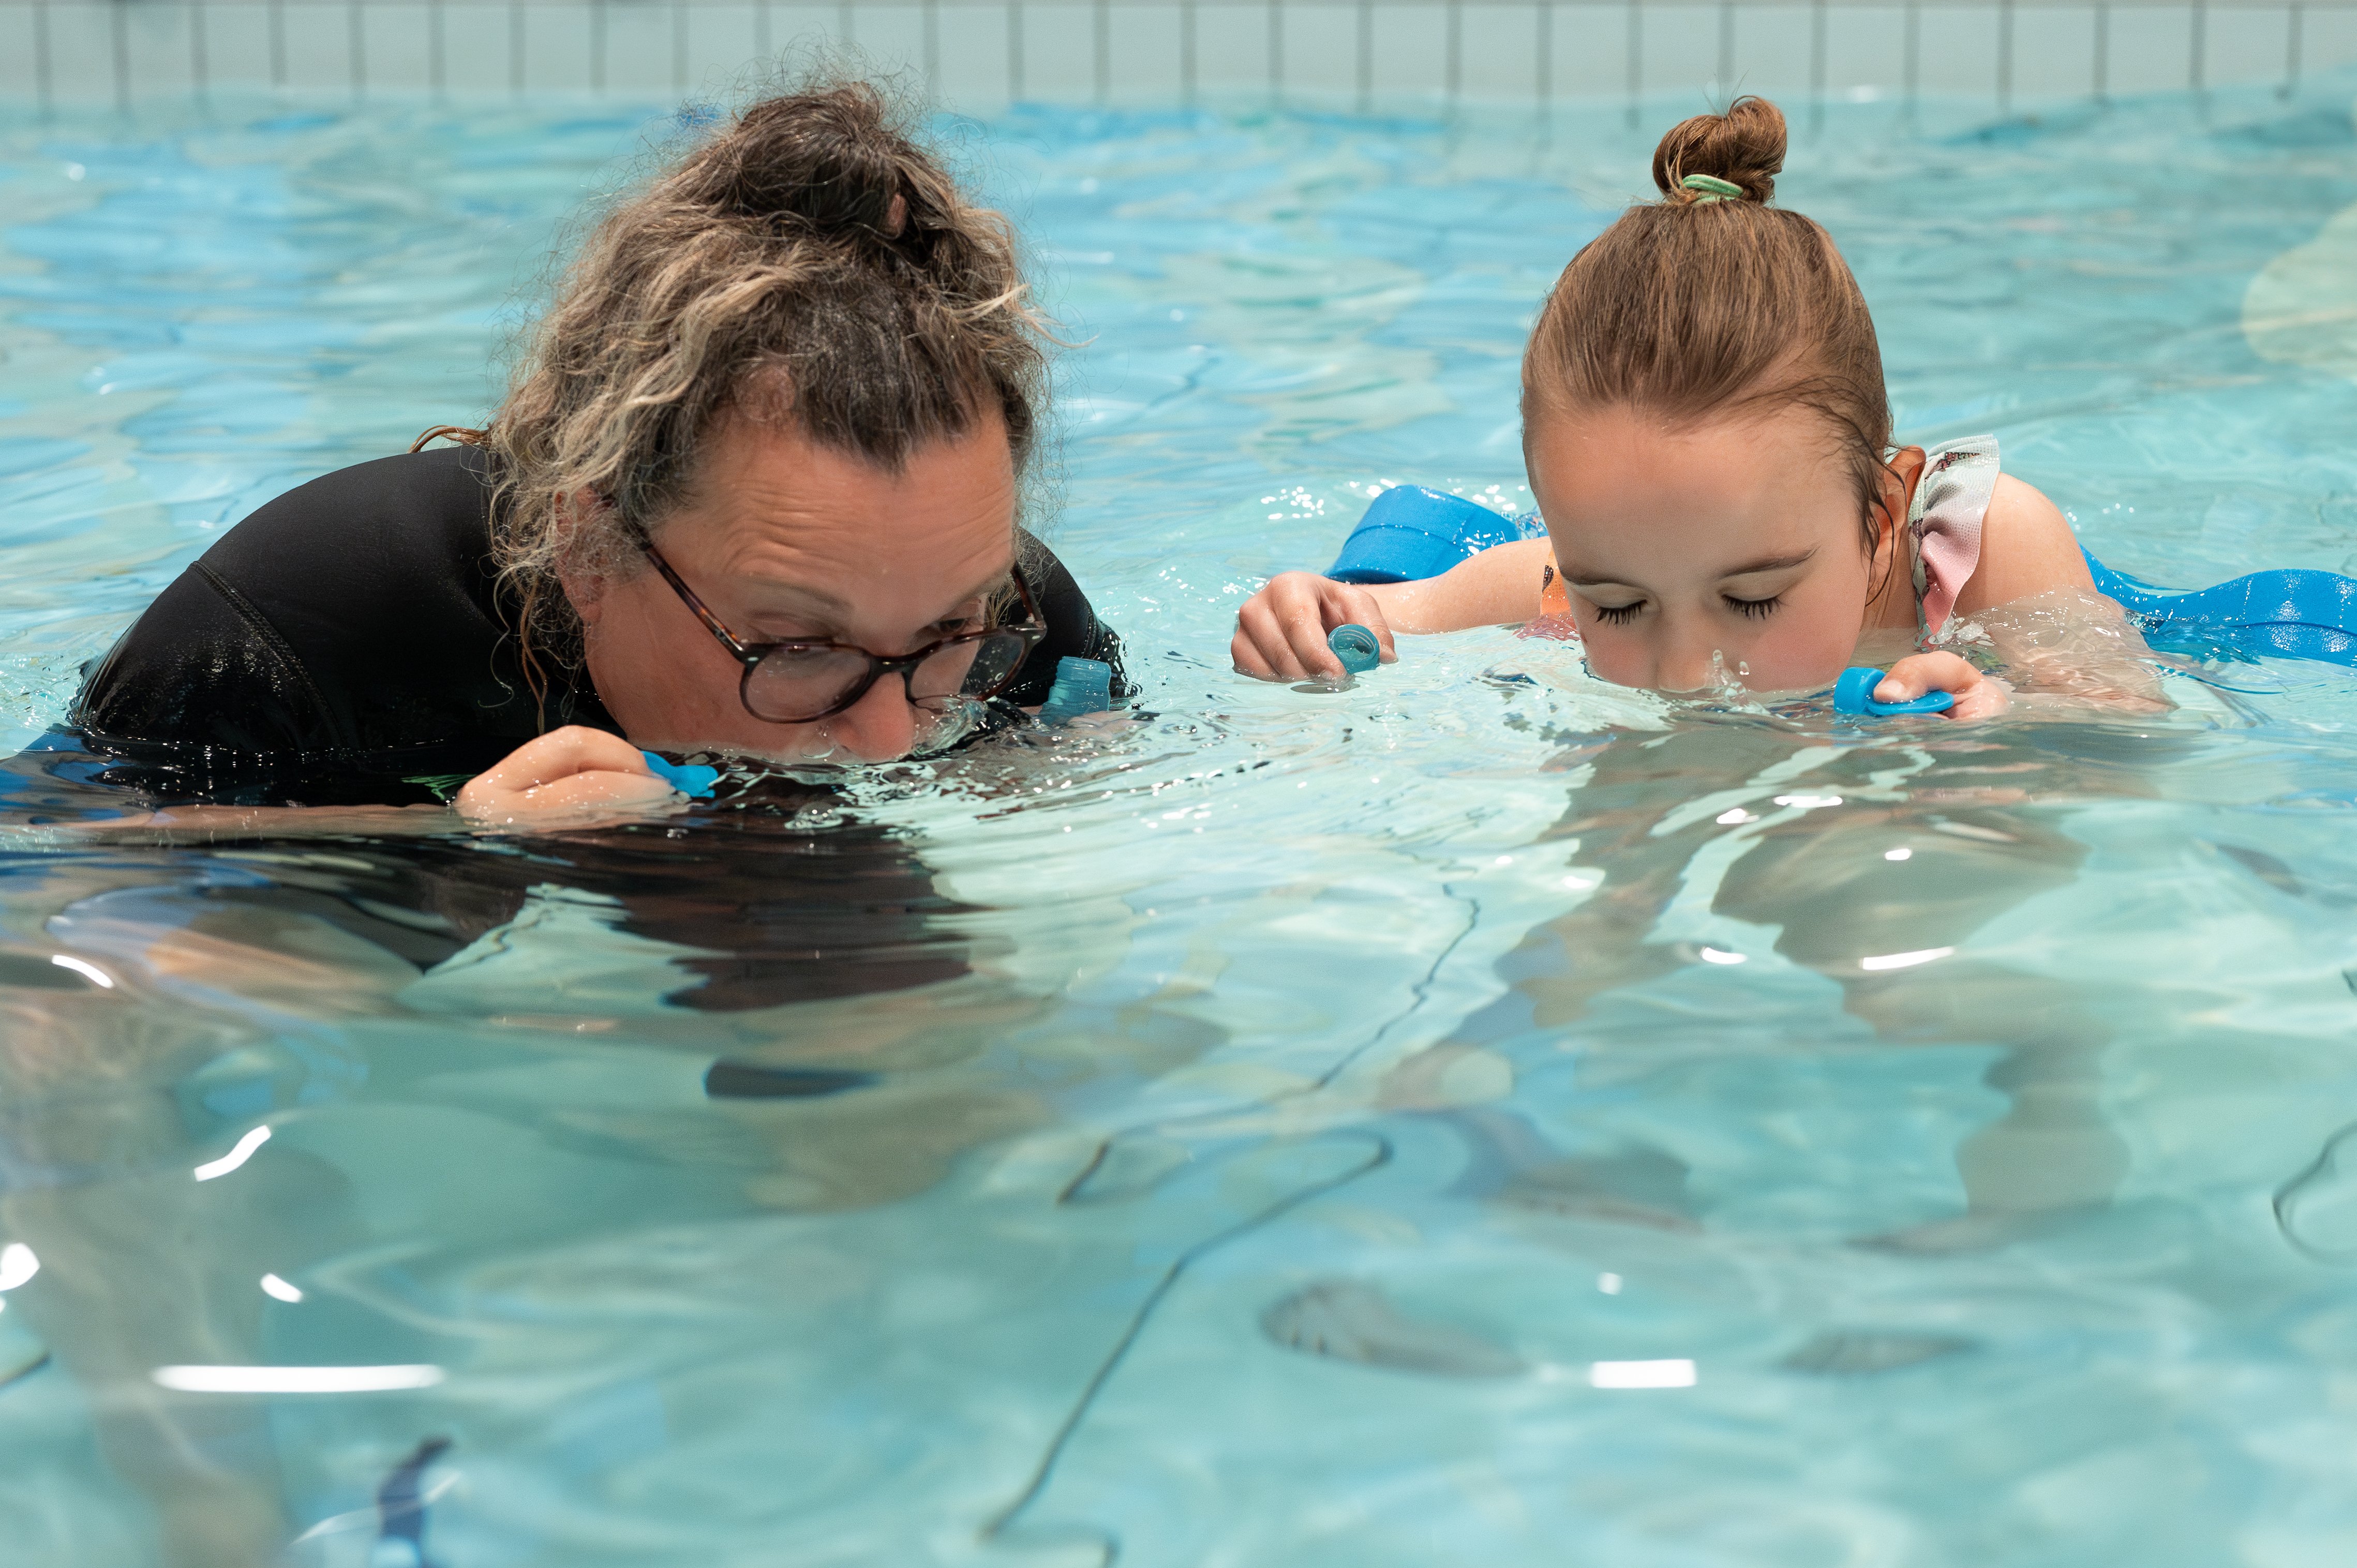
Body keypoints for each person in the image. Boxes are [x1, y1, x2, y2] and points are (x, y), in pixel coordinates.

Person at [62, 81, 1123, 824]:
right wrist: (445, 851)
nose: (893, 742)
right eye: (799, 649)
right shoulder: (300, 633)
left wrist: (1292, 697)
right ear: (587, 544)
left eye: (946, 637)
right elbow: (56, 909)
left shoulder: (1011, 618)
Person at [1230, 96, 2152, 719]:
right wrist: (1301, 616)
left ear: (1880, 518)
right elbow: (1372, 617)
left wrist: (2009, 742)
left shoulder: (1990, 551)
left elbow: (2132, 737)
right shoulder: (1586, 567)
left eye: (1751, 601)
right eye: (1620, 609)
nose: (1684, 677)